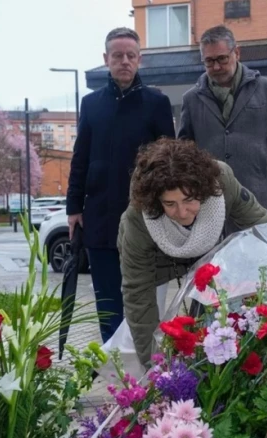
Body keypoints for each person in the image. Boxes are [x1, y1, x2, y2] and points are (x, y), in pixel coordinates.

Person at [117, 138, 267, 366]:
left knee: (214, 329)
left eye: (189, 200)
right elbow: (138, 295)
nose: (181, 212)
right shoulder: (137, 219)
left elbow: (262, 227)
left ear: (203, 189)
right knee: (137, 338)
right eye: (170, 204)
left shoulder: (223, 182)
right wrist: (156, 366)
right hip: (157, 267)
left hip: (206, 258)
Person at [66, 27, 175, 343]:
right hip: (100, 220)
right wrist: (74, 208)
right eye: (117, 55)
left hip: (145, 221)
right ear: (106, 59)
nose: (124, 61)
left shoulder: (157, 103)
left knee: (145, 305)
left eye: (130, 55)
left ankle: (147, 375)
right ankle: (117, 377)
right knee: (109, 305)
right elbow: (80, 158)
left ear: (140, 59)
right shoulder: (91, 105)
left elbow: (169, 162)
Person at [178, 25, 267, 216]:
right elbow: (184, 157)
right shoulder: (191, 99)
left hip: (259, 201)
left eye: (222, 58)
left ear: (237, 53)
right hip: (210, 205)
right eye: (209, 61)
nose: (216, 67)